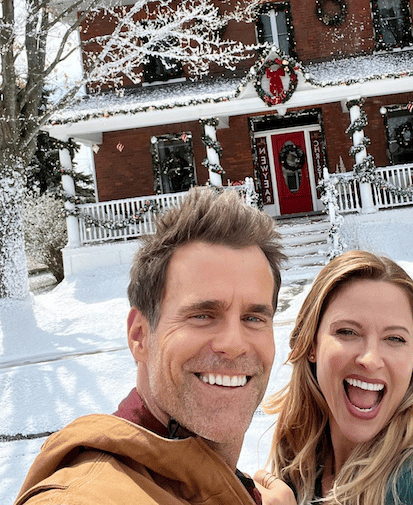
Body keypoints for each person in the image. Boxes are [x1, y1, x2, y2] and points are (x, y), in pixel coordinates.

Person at [14, 186, 292, 505]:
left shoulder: (213, 484)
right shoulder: (85, 498)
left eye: (253, 318)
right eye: (202, 315)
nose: (234, 343)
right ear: (140, 337)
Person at [261, 250, 413, 505]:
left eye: (394, 338)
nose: (370, 359)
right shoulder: (304, 464)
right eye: (348, 332)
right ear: (312, 344)